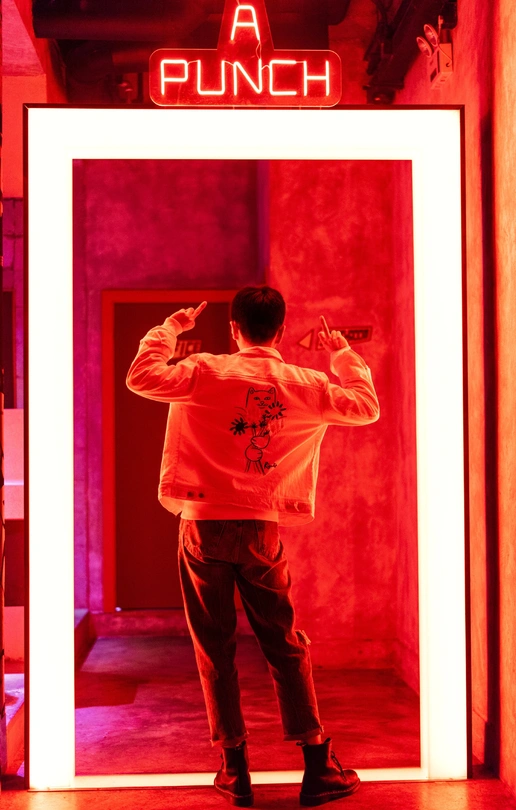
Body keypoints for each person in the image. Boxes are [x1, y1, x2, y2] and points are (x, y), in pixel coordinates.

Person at [126, 285, 380, 807]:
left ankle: (234, 769)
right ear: (281, 331)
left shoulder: (204, 372)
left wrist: (171, 328)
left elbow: (142, 376)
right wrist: (341, 354)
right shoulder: (308, 384)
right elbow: (365, 407)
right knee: (283, 642)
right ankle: (317, 763)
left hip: (202, 524)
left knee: (214, 647)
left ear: (233, 330)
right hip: (261, 528)